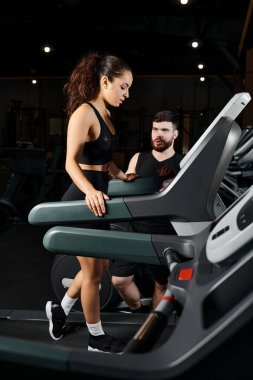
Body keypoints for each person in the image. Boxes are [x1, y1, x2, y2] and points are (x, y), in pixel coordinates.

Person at [45, 51, 133, 354]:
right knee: (95, 273)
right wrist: (90, 192)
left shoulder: (106, 115)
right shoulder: (83, 113)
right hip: (83, 199)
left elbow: (103, 162)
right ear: (105, 81)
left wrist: (123, 174)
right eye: (123, 87)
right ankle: (96, 338)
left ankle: (61, 309)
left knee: (100, 265)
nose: (127, 94)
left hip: (98, 197)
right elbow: (71, 163)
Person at [110, 110, 182, 312]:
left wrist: (173, 177)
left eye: (165, 130)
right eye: (155, 129)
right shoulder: (139, 158)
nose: (158, 134)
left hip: (165, 232)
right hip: (135, 228)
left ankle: (152, 325)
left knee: (162, 283)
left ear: (175, 134)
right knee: (119, 281)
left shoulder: (183, 164)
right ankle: (137, 309)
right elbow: (127, 189)